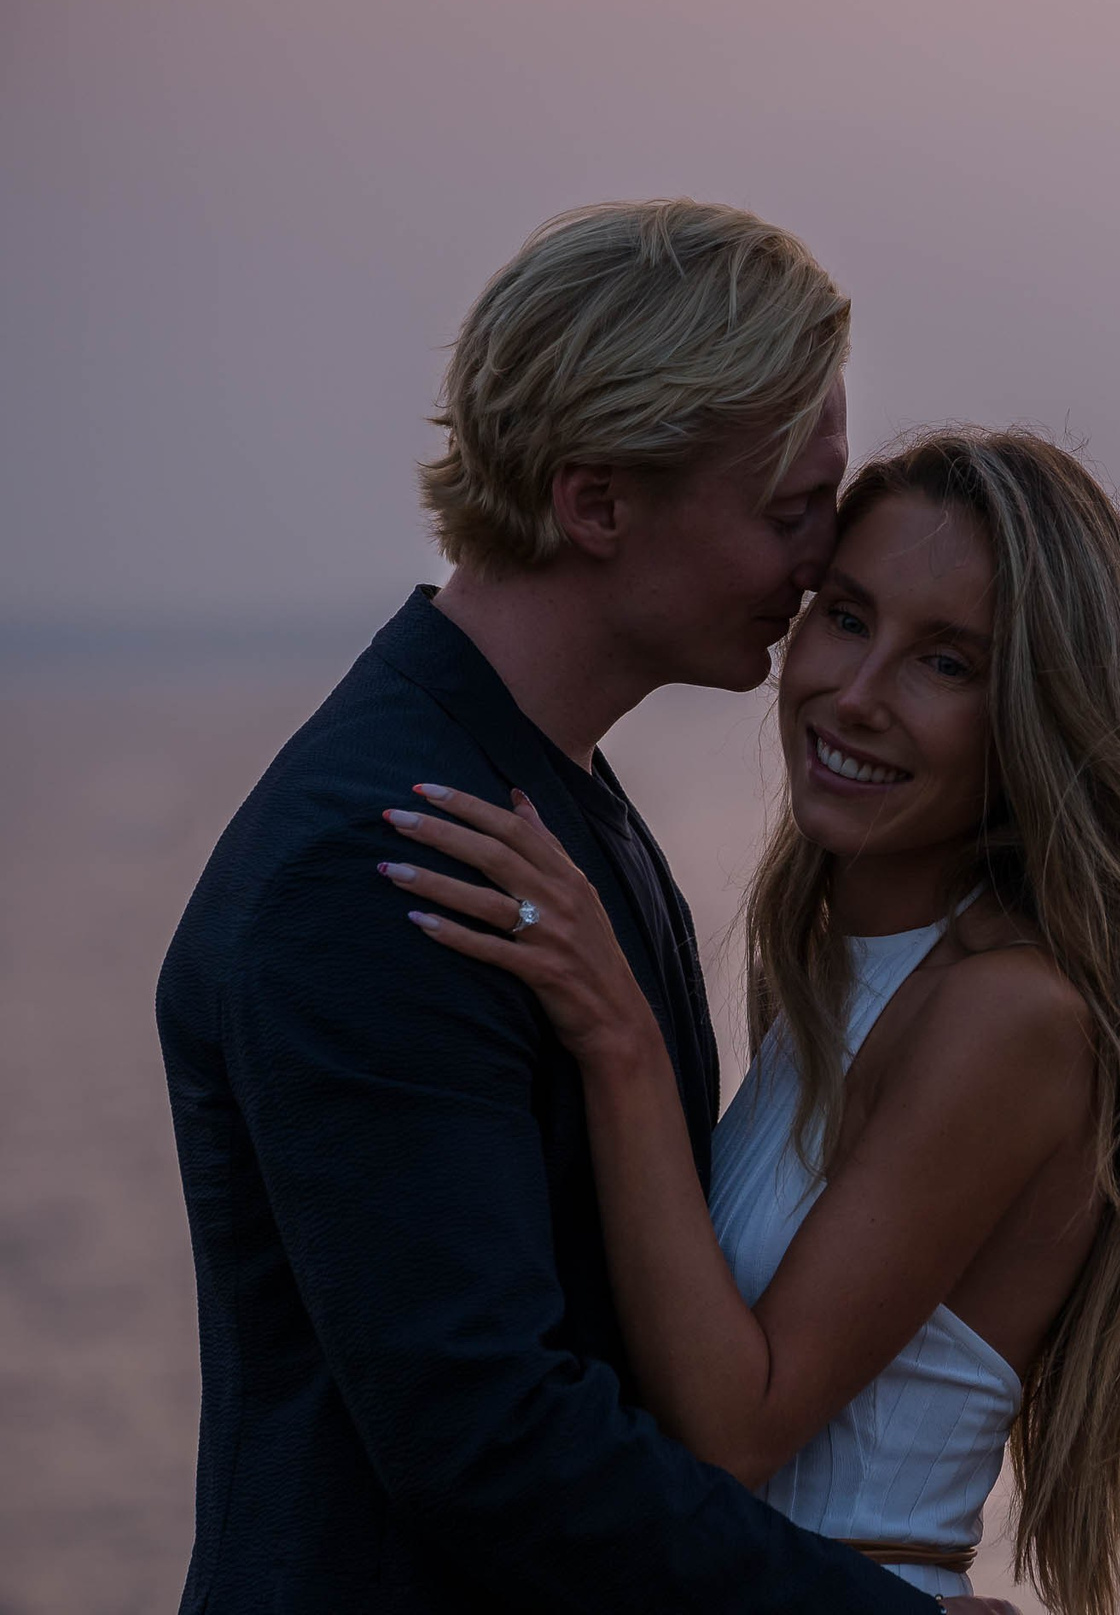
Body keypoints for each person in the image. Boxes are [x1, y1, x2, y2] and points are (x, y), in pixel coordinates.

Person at [158, 200, 1001, 1612]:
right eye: (789, 510)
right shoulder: (382, 857)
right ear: (598, 502)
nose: (817, 564)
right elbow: (489, 1441)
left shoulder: (555, 813)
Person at [374, 428, 1120, 1615]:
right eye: (847, 617)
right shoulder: (834, 976)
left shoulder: (1009, 1014)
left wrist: (620, 1039)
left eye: (947, 664)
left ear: (1035, 718)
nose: (856, 696)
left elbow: (737, 1426)